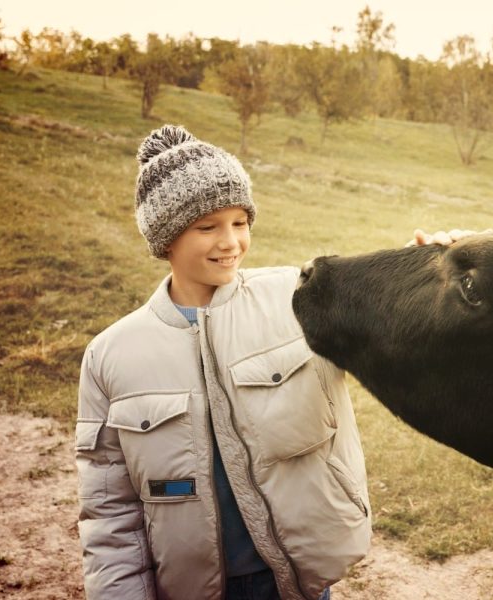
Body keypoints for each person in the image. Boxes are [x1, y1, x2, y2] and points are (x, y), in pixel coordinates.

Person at [75, 125, 370, 600]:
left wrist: (441, 259)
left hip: (300, 582)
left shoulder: (297, 300)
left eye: (240, 222)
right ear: (166, 238)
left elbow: (397, 314)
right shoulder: (111, 355)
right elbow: (110, 509)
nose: (230, 241)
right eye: (207, 227)